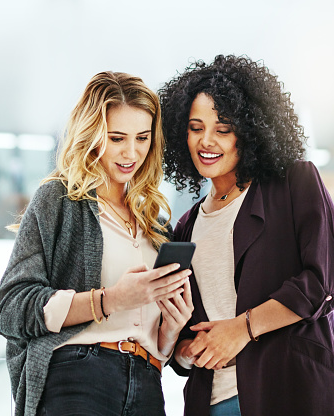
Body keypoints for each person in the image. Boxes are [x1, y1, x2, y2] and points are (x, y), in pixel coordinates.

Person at [0, 71, 194, 416]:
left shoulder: (156, 225)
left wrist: (171, 327)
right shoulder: (60, 200)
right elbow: (7, 307)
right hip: (79, 376)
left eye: (142, 138)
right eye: (117, 138)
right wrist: (109, 299)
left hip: (147, 383)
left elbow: (155, 342)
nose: (132, 152)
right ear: (93, 135)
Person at [158, 55, 334, 416]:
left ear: (250, 131)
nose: (206, 141)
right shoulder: (186, 227)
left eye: (223, 128)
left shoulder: (294, 184)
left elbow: (321, 281)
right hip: (212, 401)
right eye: (195, 127)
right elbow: (182, 334)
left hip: (288, 391)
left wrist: (243, 328)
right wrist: (186, 351)